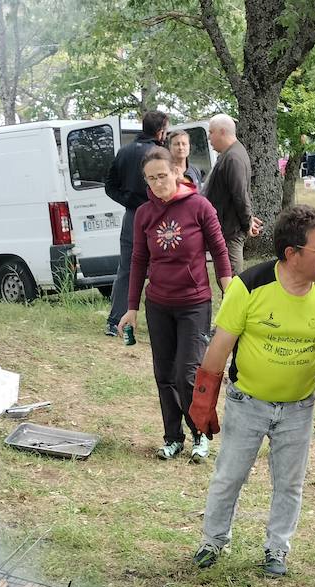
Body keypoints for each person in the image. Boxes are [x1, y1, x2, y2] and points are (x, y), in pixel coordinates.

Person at [187, 204, 315, 577]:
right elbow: (220, 345)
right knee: (229, 475)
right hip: (248, 402)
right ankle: (213, 541)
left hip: (297, 408)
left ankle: (277, 550)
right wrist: (204, 398)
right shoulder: (249, 286)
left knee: (289, 484)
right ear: (292, 254)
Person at [117, 148, 233, 462]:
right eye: (151, 178)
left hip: (194, 303)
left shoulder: (199, 206)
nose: (157, 183)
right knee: (164, 374)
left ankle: (200, 435)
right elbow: (138, 260)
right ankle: (172, 437)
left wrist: (228, 290)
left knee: (187, 373)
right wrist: (131, 307)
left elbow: (219, 250)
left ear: (176, 173)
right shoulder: (144, 213)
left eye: (162, 176)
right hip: (158, 304)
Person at [104, 110, 170, 337]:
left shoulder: (124, 152)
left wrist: (129, 201)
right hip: (158, 216)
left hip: (132, 216)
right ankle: (163, 322)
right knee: (163, 267)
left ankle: (115, 321)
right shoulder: (160, 154)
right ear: (161, 131)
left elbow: (109, 186)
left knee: (126, 269)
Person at [204, 114, 263, 273]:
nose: (209, 137)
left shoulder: (233, 157)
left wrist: (247, 222)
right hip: (225, 229)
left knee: (231, 282)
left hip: (231, 232)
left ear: (222, 132)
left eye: (211, 132)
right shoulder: (228, 154)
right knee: (225, 279)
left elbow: (240, 195)